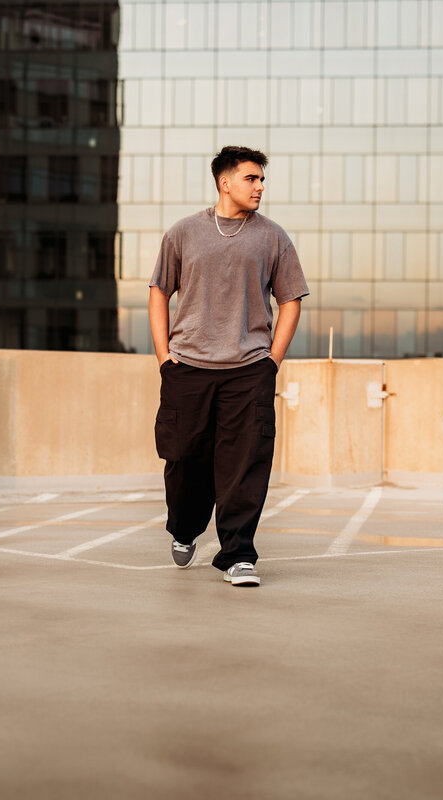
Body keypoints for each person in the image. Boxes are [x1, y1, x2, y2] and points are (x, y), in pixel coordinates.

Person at [148, 146, 309, 587]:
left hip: (249, 369)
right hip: (188, 368)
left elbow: (291, 299)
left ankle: (238, 555)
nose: (259, 187)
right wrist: (164, 357)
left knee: (246, 463)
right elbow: (159, 291)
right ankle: (184, 528)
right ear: (225, 182)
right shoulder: (183, 233)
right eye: (251, 179)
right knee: (183, 460)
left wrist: (272, 360)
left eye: (261, 180)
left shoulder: (273, 237)